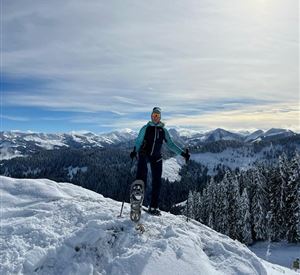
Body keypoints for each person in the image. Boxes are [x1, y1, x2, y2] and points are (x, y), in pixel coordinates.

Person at [130, 107, 190, 215]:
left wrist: (183, 153)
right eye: (153, 115)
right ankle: (136, 203)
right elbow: (138, 141)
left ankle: (153, 207)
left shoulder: (163, 131)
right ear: (151, 116)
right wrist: (135, 151)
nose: (155, 117)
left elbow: (171, 144)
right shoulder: (145, 128)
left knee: (157, 182)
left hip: (156, 157)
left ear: (160, 117)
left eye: (157, 115)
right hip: (144, 154)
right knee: (141, 176)